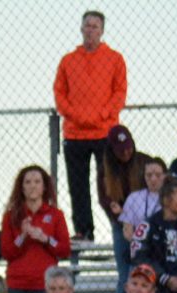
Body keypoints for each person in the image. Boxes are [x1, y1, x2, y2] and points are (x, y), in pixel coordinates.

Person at [54, 10, 129, 242]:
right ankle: (84, 231)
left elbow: (120, 92)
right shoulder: (68, 60)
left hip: (104, 133)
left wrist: (101, 114)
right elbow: (60, 93)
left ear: (102, 30)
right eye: (87, 25)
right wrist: (77, 115)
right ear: (81, 28)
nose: (90, 30)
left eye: (95, 26)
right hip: (75, 133)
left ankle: (120, 227)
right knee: (78, 186)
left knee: (109, 183)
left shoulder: (114, 58)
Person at [0, 166, 72, 293]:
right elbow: (7, 252)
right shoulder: (11, 216)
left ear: (44, 187)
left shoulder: (55, 214)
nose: (33, 186)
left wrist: (46, 239)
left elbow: (65, 249)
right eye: (28, 182)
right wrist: (23, 236)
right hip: (17, 284)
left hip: (45, 284)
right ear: (21, 188)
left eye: (37, 182)